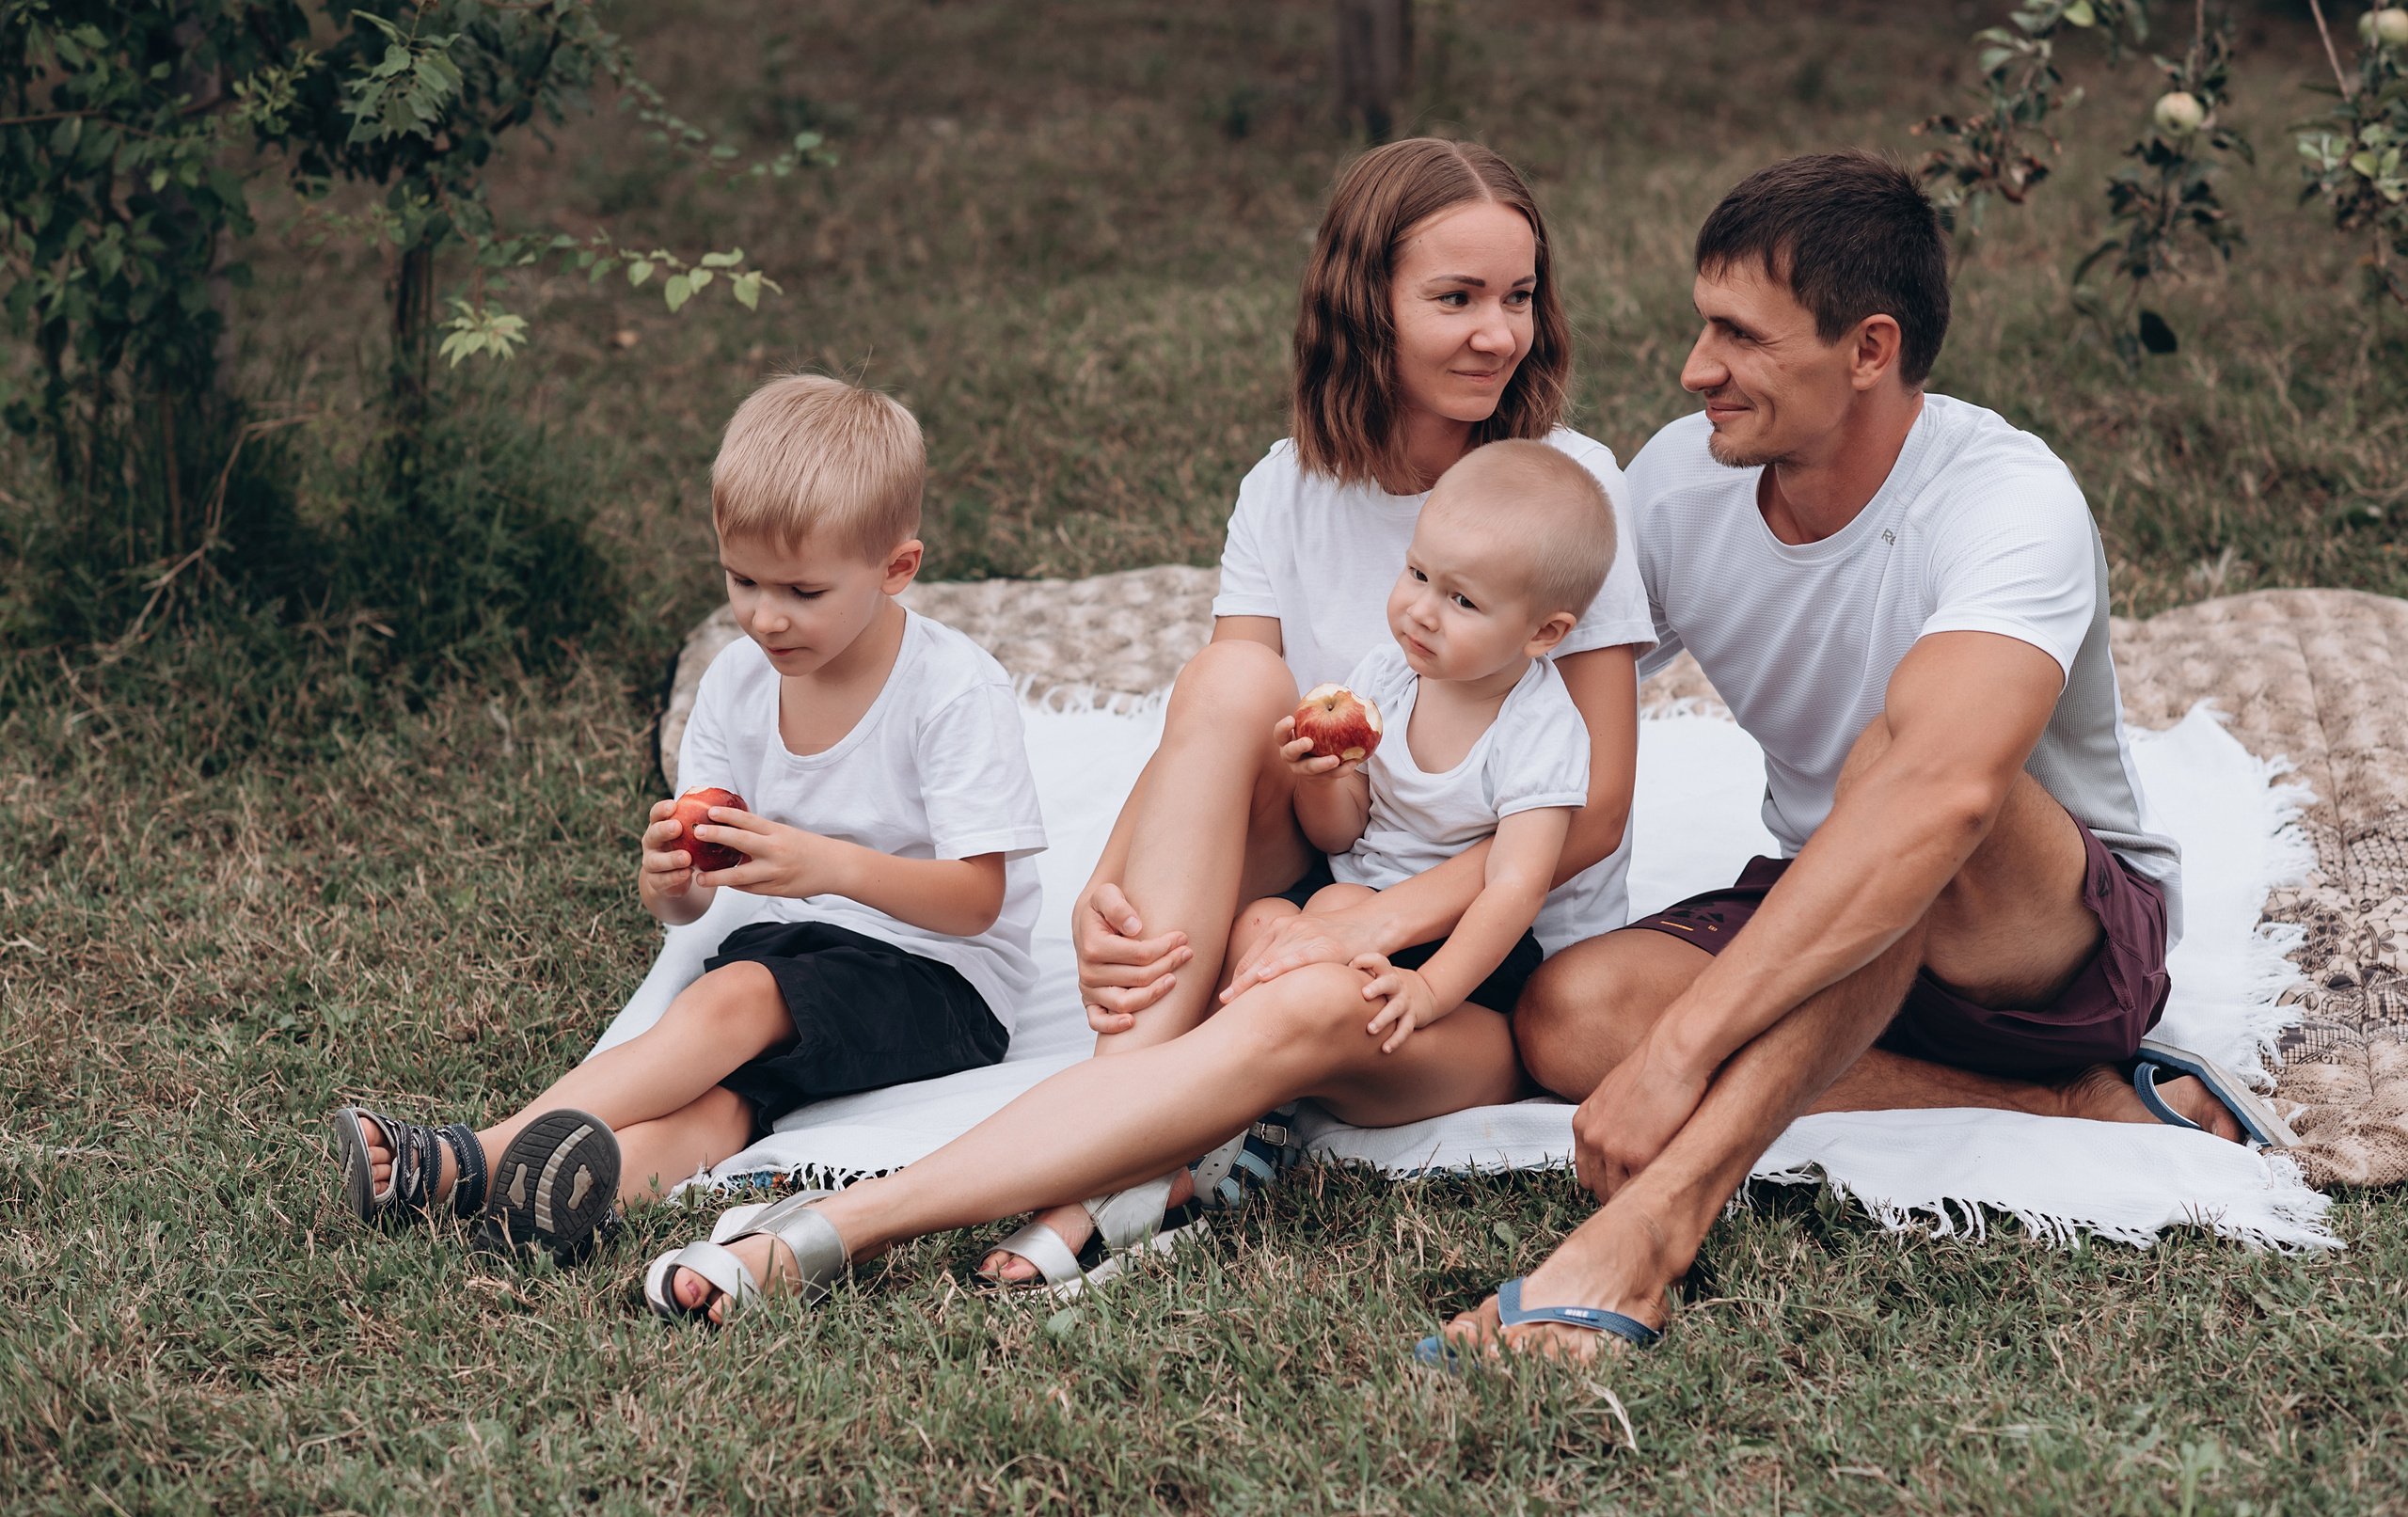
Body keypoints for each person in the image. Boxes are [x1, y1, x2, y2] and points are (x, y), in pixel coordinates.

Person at [642, 137, 1658, 1319]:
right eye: (1456, 297)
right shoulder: (1287, 486)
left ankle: (848, 1228)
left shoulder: (1566, 489)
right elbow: (1216, 727)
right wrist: (1105, 886)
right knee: (1233, 676)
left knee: (1299, 991)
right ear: (1361, 306)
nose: (1498, 331)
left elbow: (1595, 812)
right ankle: (1137, 1113)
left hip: (1476, 970)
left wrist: (1373, 921)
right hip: (1322, 885)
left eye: (1518, 296)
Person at [1431, 150, 2296, 1364]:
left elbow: (1944, 796)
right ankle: (2064, 1105)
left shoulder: (2005, 498)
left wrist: (1684, 1050)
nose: (1694, 371)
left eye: (1739, 336)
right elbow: (1536, 686)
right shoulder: (1680, 485)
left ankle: (1653, 1235)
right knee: (1572, 1016)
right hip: (1844, 903)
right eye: (1701, 325)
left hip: (2047, 938)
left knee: (1903, 764)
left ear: (1869, 349)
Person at [329, 374, 1048, 1263]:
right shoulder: (738, 682)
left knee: (733, 999)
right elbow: (695, 904)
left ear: (897, 568)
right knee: (724, 1101)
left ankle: (470, 1155)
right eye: (741, 579)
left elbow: (980, 900)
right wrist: (672, 887)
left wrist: (826, 866)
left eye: (803, 590)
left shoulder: (950, 690)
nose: (764, 615)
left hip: (945, 981)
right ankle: (558, 1207)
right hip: (808, 956)